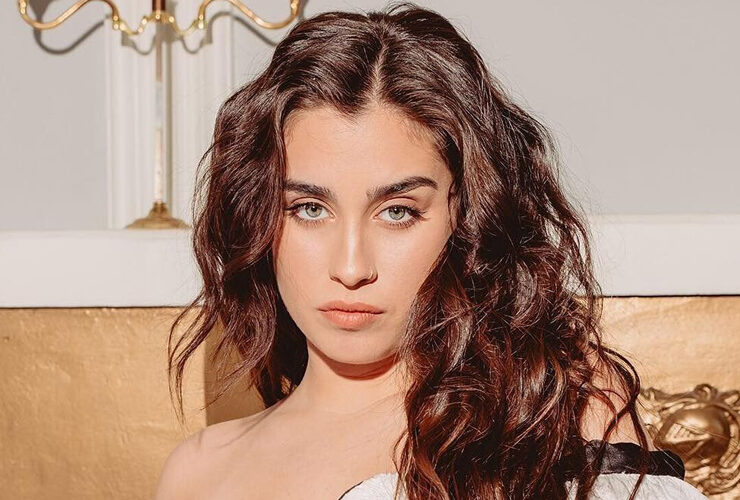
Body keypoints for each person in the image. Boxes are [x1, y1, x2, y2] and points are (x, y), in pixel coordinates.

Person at [154, 3, 708, 499]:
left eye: (397, 212)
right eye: (309, 209)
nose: (351, 268)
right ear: (257, 216)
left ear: (465, 216)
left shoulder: (551, 411)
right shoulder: (201, 473)